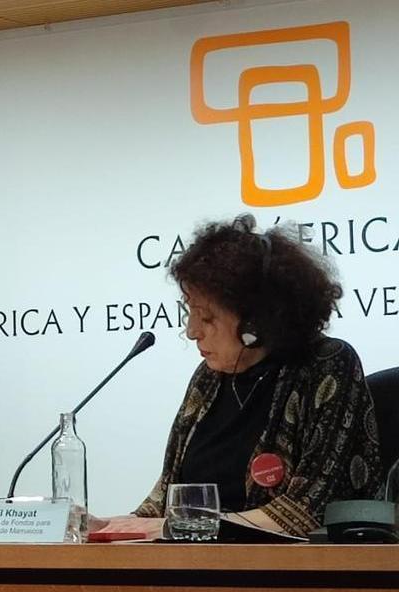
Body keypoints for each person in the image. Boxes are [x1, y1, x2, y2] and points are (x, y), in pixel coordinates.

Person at [95, 215, 381, 538]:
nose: (191, 331)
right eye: (189, 311)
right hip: (197, 574)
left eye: (206, 317)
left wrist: (176, 526)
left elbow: (309, 514)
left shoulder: (327, 365)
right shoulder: (208, 379)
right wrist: (105, 526)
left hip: (294, 579)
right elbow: (164, 501)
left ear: (256, 320)